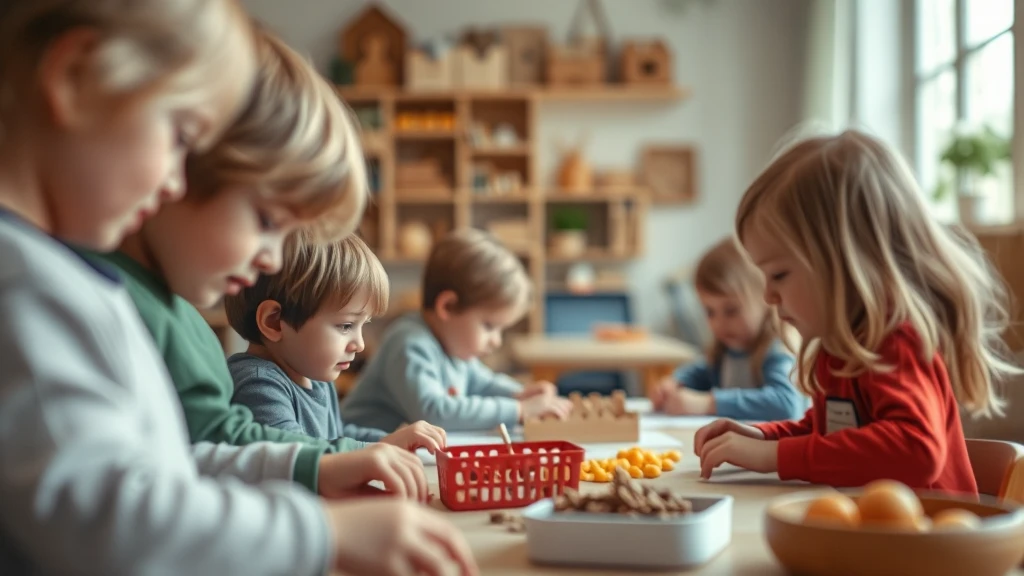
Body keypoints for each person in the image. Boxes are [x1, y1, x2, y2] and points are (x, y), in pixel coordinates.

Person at [0, 3, 477, 574]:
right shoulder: (26, 285)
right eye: (180, 137)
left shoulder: (60, 280)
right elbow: (104, 519)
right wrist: (321, 532)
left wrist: (316, 471)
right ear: (76, 77)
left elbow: (176, 466)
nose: (179, 179)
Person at [694, 129, 1019, 496]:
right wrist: (762, 435)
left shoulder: (897, 340)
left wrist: (775, 455)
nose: (768, 296)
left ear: (845, 264)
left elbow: (915, 450)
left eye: (779, 275)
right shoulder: (841, 347)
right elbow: (838, 436)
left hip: (929, 542)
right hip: (874, 534)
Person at [340, 228, 573, 432]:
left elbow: (483, 382)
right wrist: (518, 410)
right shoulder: (409, 343)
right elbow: (434, 411)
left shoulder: (452, 347)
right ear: (448, 307)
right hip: (356, 452)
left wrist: (519, 394)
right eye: (489, 326)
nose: (496, 341)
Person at [651, 236, 804, 421]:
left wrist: (708, 403)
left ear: (765, 299)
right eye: (709, 312)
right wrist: (674, 383)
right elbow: (701, 371)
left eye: (731, 311)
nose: (718, 323)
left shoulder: (777, 349)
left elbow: (787, 404)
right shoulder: (726, 350)